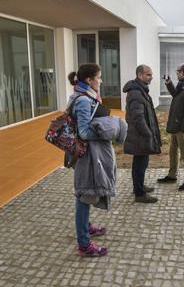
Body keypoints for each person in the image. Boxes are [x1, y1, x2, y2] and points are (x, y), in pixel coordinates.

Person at [67, 63, 111, 257]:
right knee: (83, 195)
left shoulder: (81, 94)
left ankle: (86, 226)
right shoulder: (84, 100)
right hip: (85, 154)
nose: (101, 80)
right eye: (99, 77)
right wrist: (107, 131)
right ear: (89, 80)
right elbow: (84, 132)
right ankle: (84, 244)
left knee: (83, 193)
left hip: (82, 153)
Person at [123, 64, 162, 203]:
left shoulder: (140, 90)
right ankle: (139, 194)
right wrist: (148, 133)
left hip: (140, 135)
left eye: (151, 75)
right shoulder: (136, 93)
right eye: (148, 75)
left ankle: (138, 187)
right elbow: (138, 118)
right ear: (140, 75)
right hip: (140, 136)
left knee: (140, 163)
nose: (151, 77)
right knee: (140, 164)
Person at [157, 63, 184, 191]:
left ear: (183, 73)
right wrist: (169, 83)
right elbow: (176, 94)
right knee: (173, 150)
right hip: (177, 125)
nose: (176, 73)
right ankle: (172, 175)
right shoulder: (183, 85)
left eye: (178, 71)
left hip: (182, 127)